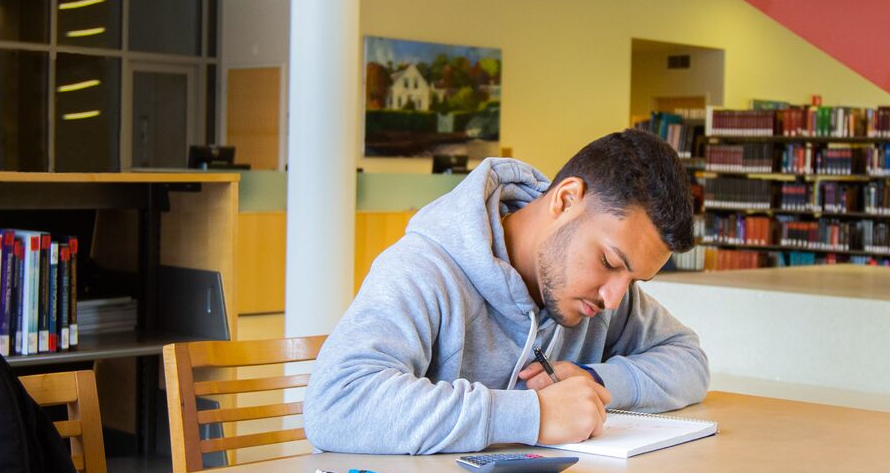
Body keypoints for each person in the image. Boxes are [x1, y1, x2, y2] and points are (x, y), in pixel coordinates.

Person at [304, 129, 709, 454]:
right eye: (610, 262)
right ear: (566, 200)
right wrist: (532, 415)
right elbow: (337, 404)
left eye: (634, 280)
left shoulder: (601, 295)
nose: (614, 299)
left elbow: (689, 360)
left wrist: (592, 381)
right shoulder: (424, 269)